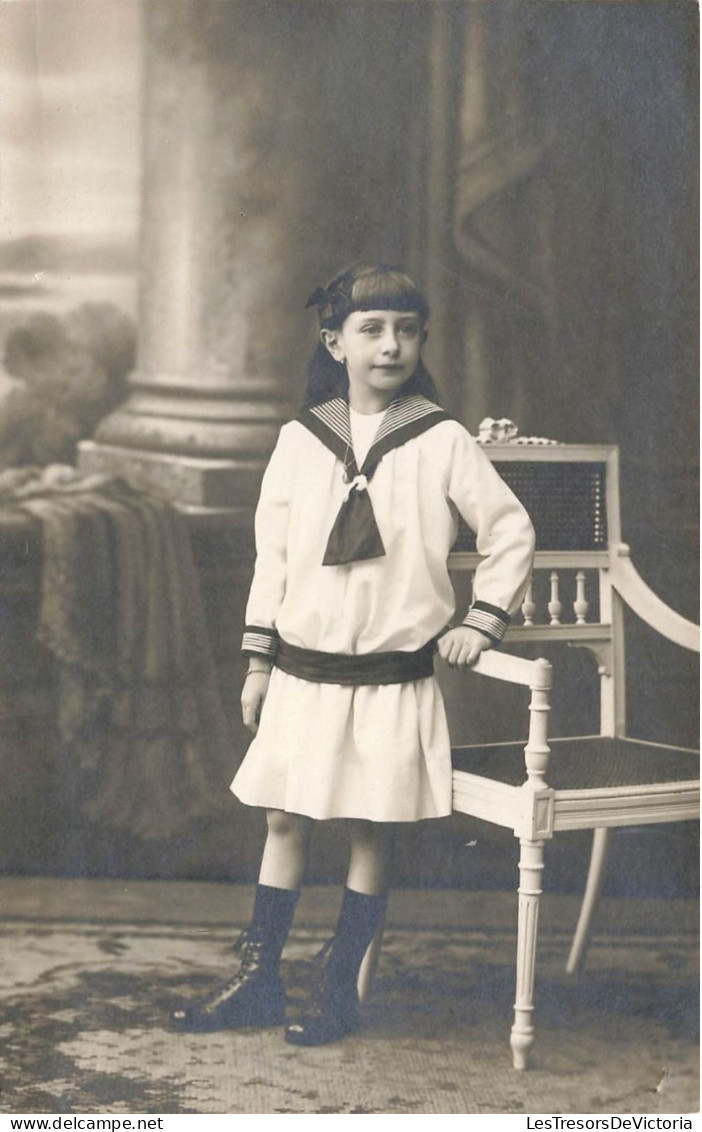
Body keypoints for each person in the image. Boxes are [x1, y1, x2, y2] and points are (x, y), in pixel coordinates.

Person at [171, 262, 535, 1046]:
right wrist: (259, 662)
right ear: (334, 342)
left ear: (422, 340)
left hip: (390, 675)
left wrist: (483, 619)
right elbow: (272, 554)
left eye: (406, 329)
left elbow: (509, 531)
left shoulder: (440, 439)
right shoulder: (302, 440)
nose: (390, 344)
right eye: (371, 330)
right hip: (305, 668)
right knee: (284, 816)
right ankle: (258, 978)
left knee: (373, 825)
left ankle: (338, 989)